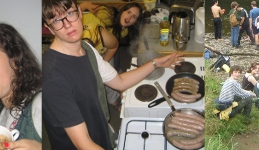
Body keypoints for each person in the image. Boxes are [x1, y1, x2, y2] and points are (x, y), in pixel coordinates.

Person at [42, 0, 183, 149]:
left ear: (79, 11)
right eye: (56, 20)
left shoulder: (87, 49)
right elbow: (83, 144)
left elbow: (120, 81)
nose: (67, 24)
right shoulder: (52, 76)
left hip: (101, 131)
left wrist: (156, 63)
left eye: (70, 13)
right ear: (49, 28)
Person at [78, 2, 143, 62]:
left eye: (134, 17)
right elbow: (85, 5)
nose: (129, 17)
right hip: (78, 37)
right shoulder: (107, 14)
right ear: (122, 11)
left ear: (135, 22)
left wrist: (103, 65)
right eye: (128, 12)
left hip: (94, 50)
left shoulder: (125, 31)